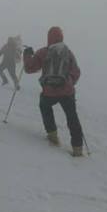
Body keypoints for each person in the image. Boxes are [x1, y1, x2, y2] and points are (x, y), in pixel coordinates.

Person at [23, 26, 84, 156]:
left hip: (49, 91)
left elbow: (29, 68)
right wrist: (69, 83)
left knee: (44, 106)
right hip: (67, 92)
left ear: (49, 38)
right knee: (72, 117)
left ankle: (52, 136)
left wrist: (27, 54)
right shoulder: (68, 52)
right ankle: (78, 148)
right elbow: (77, 72)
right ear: (61, 37)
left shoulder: (43, 52)